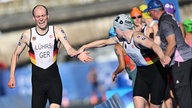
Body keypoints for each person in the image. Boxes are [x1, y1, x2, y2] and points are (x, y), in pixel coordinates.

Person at [7, 4, 93, 108]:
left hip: (54, 80)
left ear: (48, 16)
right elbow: (16, 54)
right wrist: (12, 76)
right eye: (38, 17)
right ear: (34, 18)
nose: (41, 19)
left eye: (43, 16)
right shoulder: (27, 35)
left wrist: (78, 54)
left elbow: (69, 49)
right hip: (38, 83)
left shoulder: (57, 31)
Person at [78, 14, 171, 108]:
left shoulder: (137, 37)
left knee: (154, 106)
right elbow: (104, 42)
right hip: (142, 74)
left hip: (156, 72)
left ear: (120, 29)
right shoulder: (121, 40)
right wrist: (84, 47)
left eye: (115, 29)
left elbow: (153, 45)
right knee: (137, 102)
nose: (114, 31)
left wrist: (162, 56)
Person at [148, 0, 192, 108]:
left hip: (180, 61)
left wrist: (165, 57)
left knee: (183, 94)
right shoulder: (167, 18)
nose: (149, 15)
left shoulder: (164, 22)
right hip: (187, 58)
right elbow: (156, 42)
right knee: (188, 92)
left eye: (149, 12)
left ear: (153, 11)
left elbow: (172, 42)